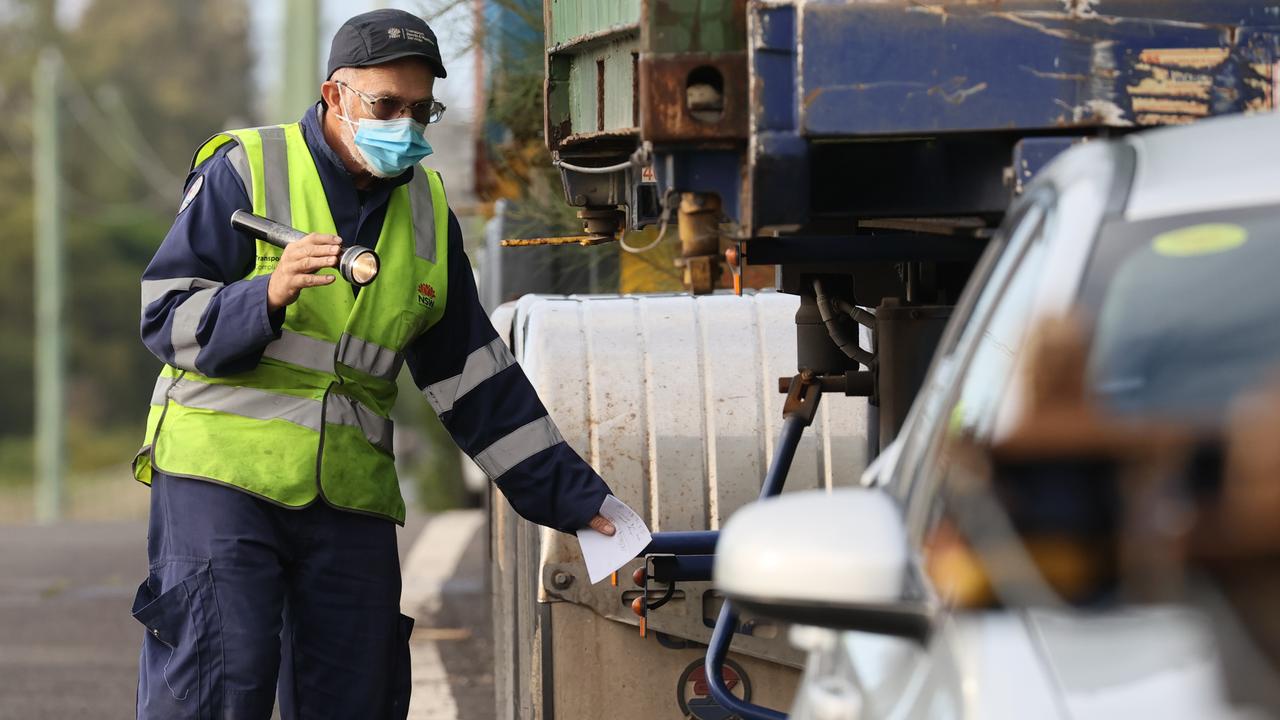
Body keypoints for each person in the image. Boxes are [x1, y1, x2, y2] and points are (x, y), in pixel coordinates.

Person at [132, 9, 615, 718]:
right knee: (219, 684)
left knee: (355, 699)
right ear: (335, 96)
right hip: (221, 478)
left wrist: (574, 498)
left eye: (421, 110)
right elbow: (164, 318)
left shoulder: (426, 211)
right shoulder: (245, 168)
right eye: (385, 105)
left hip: (348, 498)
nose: (406, 126)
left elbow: (472, 378)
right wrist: (262, 296)